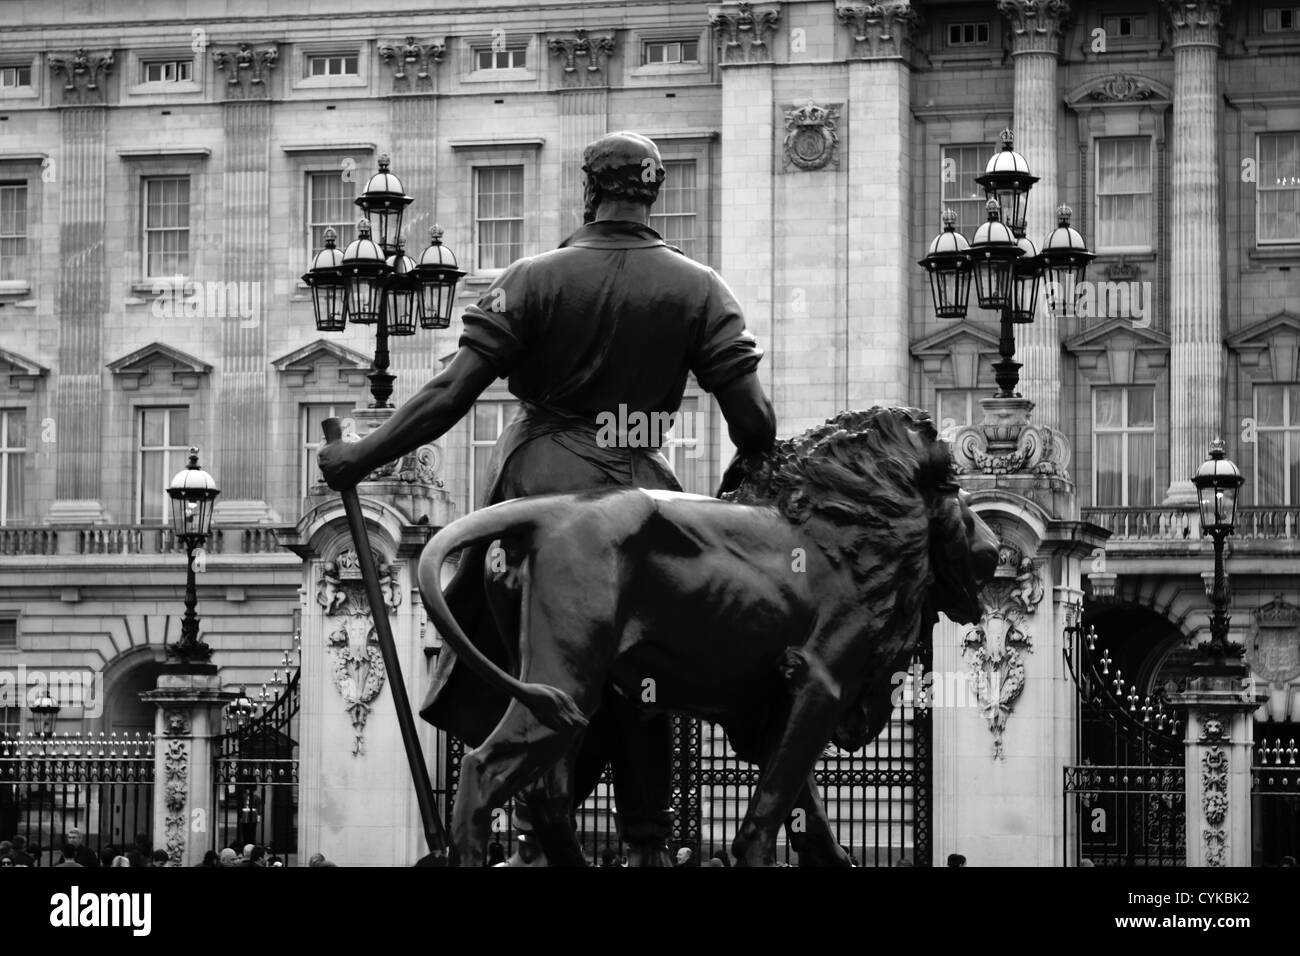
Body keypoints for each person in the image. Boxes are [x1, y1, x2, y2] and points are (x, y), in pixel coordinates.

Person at [319, 131, 775, 867]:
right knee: (646, 676)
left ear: (588, 191)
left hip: (542, 479)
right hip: (646, 489)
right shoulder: (701, 288)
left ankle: (540, 832)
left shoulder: (533, 278)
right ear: (655, 193)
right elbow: (756, 425)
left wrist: (360, 457)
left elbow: (449, 393)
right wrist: (728, 507)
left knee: (537, 669)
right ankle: (647, 844)